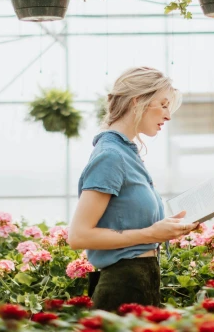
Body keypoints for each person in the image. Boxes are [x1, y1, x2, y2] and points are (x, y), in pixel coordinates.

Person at [67, 66, 195, 311]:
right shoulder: (111, 156)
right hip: (122, 287)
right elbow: (79, 236)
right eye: (164, 104)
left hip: (140, 282)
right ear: (138, 101)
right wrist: (152, 234)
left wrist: (166, 227)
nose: (168, 116)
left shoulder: (126, 153)